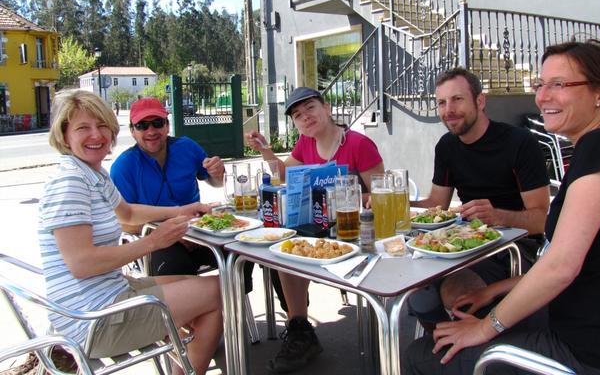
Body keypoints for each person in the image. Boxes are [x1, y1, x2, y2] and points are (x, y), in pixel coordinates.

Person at [405, 40, 600, 374]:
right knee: (450, 308)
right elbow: (577, 260)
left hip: (588, 348)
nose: (542, 97)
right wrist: (493, 292)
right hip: (592, 323)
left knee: (421, 354)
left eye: (559, 84)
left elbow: (560, 265)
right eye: (541, 84)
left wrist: (485, 329)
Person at [39, 90, 222, 375]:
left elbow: (128, 213)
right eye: (83, 128)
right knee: (221, 291)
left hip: (108, 293)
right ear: (64, 136)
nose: (96, 135)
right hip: (93, 320)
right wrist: (154, 241)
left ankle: (181, 358)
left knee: (203, 283)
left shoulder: (93, 173)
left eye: (102, 126)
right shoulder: (70, 182)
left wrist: (185, 209)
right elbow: (82, 263)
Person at [246, 86, 385, 374]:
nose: (305, 117)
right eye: (297, 115)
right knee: (282, 249)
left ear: (327, 108)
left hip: (354, 234)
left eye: (310, 108)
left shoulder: (359, 144)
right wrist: (265, 150)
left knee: (288, 247)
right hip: (317, 228)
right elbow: (283, 175)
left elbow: (381, 193)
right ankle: (300, 328)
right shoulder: (305, 145)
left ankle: (303, 331)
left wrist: (357, 198)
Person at [409, 68, 550, 326]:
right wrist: (398, 202)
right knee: (416, 290)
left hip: (517, 247)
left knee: (458, 294)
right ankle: (444, 351)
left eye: (457, 99)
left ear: (480, 101)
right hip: (466, 241)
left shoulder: (519, 142)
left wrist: (498, 215)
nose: (448, 109)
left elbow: (542, 220)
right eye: (441, 102)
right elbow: (435, 205)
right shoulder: (447, 146)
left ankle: (471, 352)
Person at [110, 97, 225, 276]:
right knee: (177, 266)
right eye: (142, 125)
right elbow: (123, 223)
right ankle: (202, 301)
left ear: (167, 125)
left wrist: (218, 173)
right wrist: (171, 233)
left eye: (157, 123)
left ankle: (233, 301)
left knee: (241, 252)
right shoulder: (123, 166)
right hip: (154, 239)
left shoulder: (186, 147)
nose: (151, 131)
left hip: (199, 231)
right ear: (132, 131)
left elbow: (215, 182)